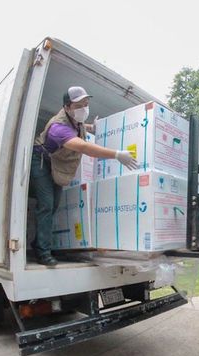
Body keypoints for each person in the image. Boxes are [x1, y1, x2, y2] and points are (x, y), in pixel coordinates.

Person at [30, 86, 137, 266]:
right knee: (46, 205)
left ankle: (39, 243)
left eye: (86, 104)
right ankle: (43, 251)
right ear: (67, 107)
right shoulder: (58, 128)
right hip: (41, 162)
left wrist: (90, 127)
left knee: (54, 204)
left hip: (56, 163)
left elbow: (78, 127)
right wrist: (117, 154)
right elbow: (84, 147)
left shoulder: (74, 119)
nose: (84, 108)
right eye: (79, 105)